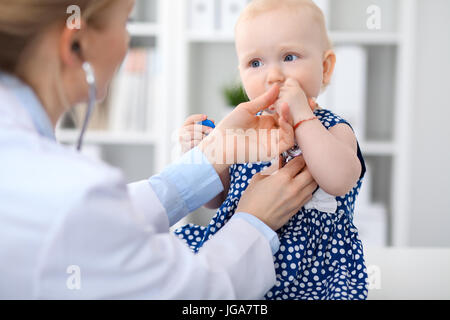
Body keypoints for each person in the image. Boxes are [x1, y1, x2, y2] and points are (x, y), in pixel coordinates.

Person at [0, 0, 318, 299]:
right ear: (76, 45)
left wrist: (211, 156)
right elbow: (193, 295)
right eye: (127, 22)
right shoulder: (73, 197)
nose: (127, 41)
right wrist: (256, 220)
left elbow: (101, 229)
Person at [176, 0, 369, 300]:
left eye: (289, 57)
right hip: (241, 262)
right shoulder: (246, 129)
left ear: (325, 67)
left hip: (313, 272)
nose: (273, 75)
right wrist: (201, 155)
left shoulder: (333, 128)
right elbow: (215, 200)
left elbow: (340, 179)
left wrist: (303, 117)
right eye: (255, 63)